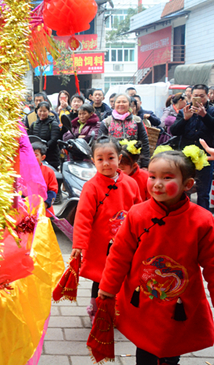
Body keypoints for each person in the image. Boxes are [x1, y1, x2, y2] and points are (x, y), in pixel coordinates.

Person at [99, 149, 214, 365]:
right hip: (143, 301)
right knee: (145, 348)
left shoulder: (201, 221)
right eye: (152, 176)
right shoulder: (137, 214)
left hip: (179, 302)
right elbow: (119, 255)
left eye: (167, 178)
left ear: (188, 184)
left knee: (169, 348)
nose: (157, 184)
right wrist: (108, 289)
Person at [70, 136, 142, 322]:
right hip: (101, 243)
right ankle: (97, 310)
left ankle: (120, 308)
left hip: (126, 241)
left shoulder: (131, 183)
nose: (106, 163)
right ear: (93, 161)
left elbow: (139, 210)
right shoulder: (91, 187)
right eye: (100, 159)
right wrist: (79, 243)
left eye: (111, 158)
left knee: (124, 276)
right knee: (100, 277)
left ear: (119, 158)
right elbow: (83, 217)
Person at [170, 84, 214, 210]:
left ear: (208, 96)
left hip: (206, 158)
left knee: (203, 192)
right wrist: (185, 119)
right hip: (185, 158)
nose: (198, 98)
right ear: (190, 96)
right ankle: (184, 218)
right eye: (195, 96)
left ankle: (203, 222)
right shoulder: (184, 111)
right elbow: (173, 131)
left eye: (202, 96)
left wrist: (205, 116)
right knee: (184, 191)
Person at [100, 94, 150, 167]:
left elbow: (144, 141)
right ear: (113, 105)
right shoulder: (106, 122)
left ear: (129, 105)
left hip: (134, 161)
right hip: (113, 161)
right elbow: (101, 143)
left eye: (124, 102)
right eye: (118, 102)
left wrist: (145, 163)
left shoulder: (137, 120)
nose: (121, 104)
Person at [28, 102, 61, 169]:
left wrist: (42, 149)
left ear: (48, 112)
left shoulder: (53, 124)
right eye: (40, 111)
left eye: (44, 111)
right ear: (37, 111)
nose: (42, 113)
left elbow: (54, 140)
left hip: (51, 157)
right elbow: (30, 139)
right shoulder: (34, 124)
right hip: (37, 157)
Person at [32, 141, 58, 217]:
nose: (32, 157)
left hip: (44, 209)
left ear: (43, 157)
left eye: (36, 155)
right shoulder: (23, 171)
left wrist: (45, 203)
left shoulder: (49, 172)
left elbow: (53, 190)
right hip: (27, 207)